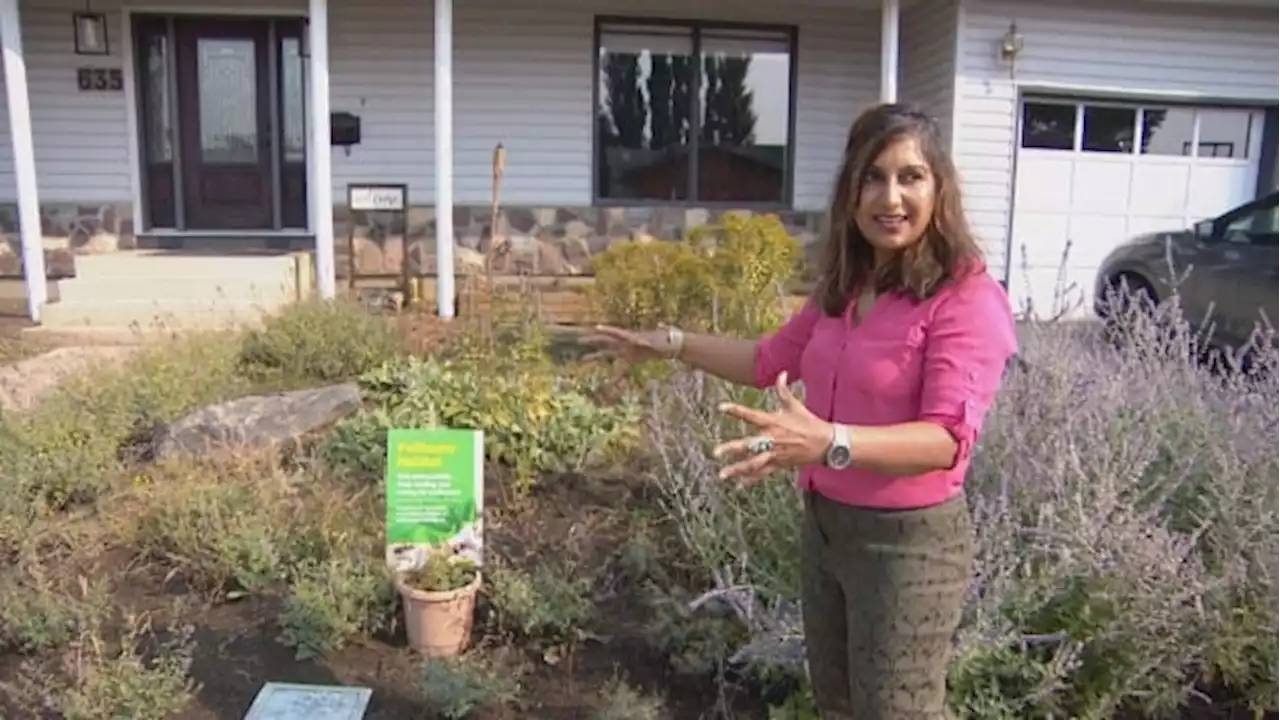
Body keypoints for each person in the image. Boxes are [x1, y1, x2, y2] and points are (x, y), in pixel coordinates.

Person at [582, 103, 1017, 719]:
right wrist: (671, 344)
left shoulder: (966, 297)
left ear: (939, 187)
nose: (889, 197)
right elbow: (768, 360)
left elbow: (947, 439)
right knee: (837, 704)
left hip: (908, 547)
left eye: (910, 177)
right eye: (872, 177)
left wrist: (830, 442)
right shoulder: (848, 286)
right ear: (850, 190)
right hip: (826, 529)